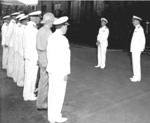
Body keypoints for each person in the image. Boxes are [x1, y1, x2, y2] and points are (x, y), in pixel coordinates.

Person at [46, 16, 71, 123]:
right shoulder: (63, 39)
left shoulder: (51, 37)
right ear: (62, 26)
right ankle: (57, 116)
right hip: (60, 71)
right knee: (59, 94)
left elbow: (49, 55)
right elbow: (65, 58)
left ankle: (51, 117)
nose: (67, 28)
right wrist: (66, 72)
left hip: (52, 69)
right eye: (66, 26)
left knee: (52, 93)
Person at [36, 13, 55, 110]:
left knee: (42, 81)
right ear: (49, 22)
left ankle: (41, 102)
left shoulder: (40, 30)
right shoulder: (48, 32)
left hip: (41, 56)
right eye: (52, 21)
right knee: (45, 82)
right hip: (46, 58)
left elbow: (37, 47)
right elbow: (51, 49)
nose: (53, 23)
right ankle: (42, 104)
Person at [23, 11, 41, 101]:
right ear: (34, 18)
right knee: (32, 76)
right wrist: (38, 57)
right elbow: (35, 45)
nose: (39, 19)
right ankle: (29, 95)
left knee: (29, 75)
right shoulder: (33, 29)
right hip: (33, 56)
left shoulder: (27, 27)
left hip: (28, 55)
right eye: (39, 17)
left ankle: (27, 94)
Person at [130, 15, 146, 82]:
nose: (132, 22)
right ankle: (137, 77)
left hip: (137, 49)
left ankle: (136, 77)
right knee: (136, 63)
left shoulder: (139, 29)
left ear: (137, 21)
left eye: (133, 21)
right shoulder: (137, 28)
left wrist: (142, 48)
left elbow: (143, 39)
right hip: (135, 49)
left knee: (135, 63)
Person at [5, 12, 20, 78]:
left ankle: (10, 72)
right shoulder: (12, 24)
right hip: (11, 44)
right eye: (16, 16)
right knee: (11, 59)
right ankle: (10, 73)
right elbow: (8, 34)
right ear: (14, 16)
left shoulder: (13, 23)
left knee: (11, 58)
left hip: (12, 43)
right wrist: (7, 43)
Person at [16, 15, 29, 87]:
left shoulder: (20, 27)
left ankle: (19, 80)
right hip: (22, 50)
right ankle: (20, 82)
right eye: (26, 20)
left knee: (20, 66)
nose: (27, 21)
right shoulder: (23, 28)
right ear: (24, 21)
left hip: (20, 49)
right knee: (22, 67)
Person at [13, 13, 25, 83]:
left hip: (17, 48)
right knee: (21, 66)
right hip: (20, 49)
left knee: (17, 64)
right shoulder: (21, 28)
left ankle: (16, 78)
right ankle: (20, 81)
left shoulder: (17, 26)